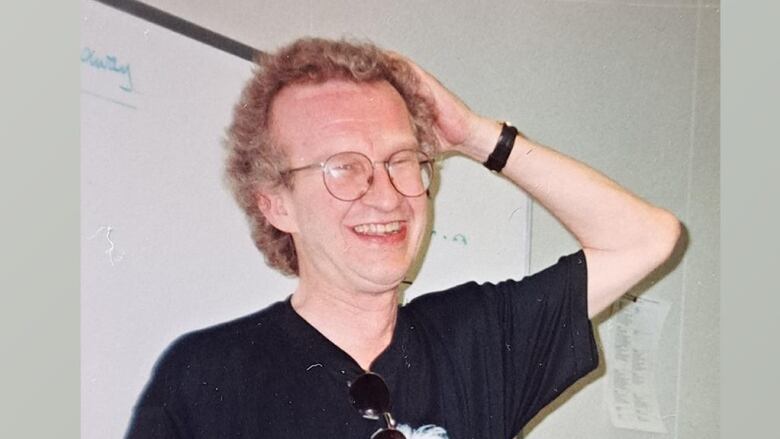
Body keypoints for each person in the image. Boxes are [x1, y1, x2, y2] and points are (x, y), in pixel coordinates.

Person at [125, 38, 680, 439]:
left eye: (402, 161)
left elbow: (647, 238)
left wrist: (475, 136)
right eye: (344, 167)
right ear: (276, 202)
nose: (387, 195)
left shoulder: (475, 342)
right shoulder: (206, 378)